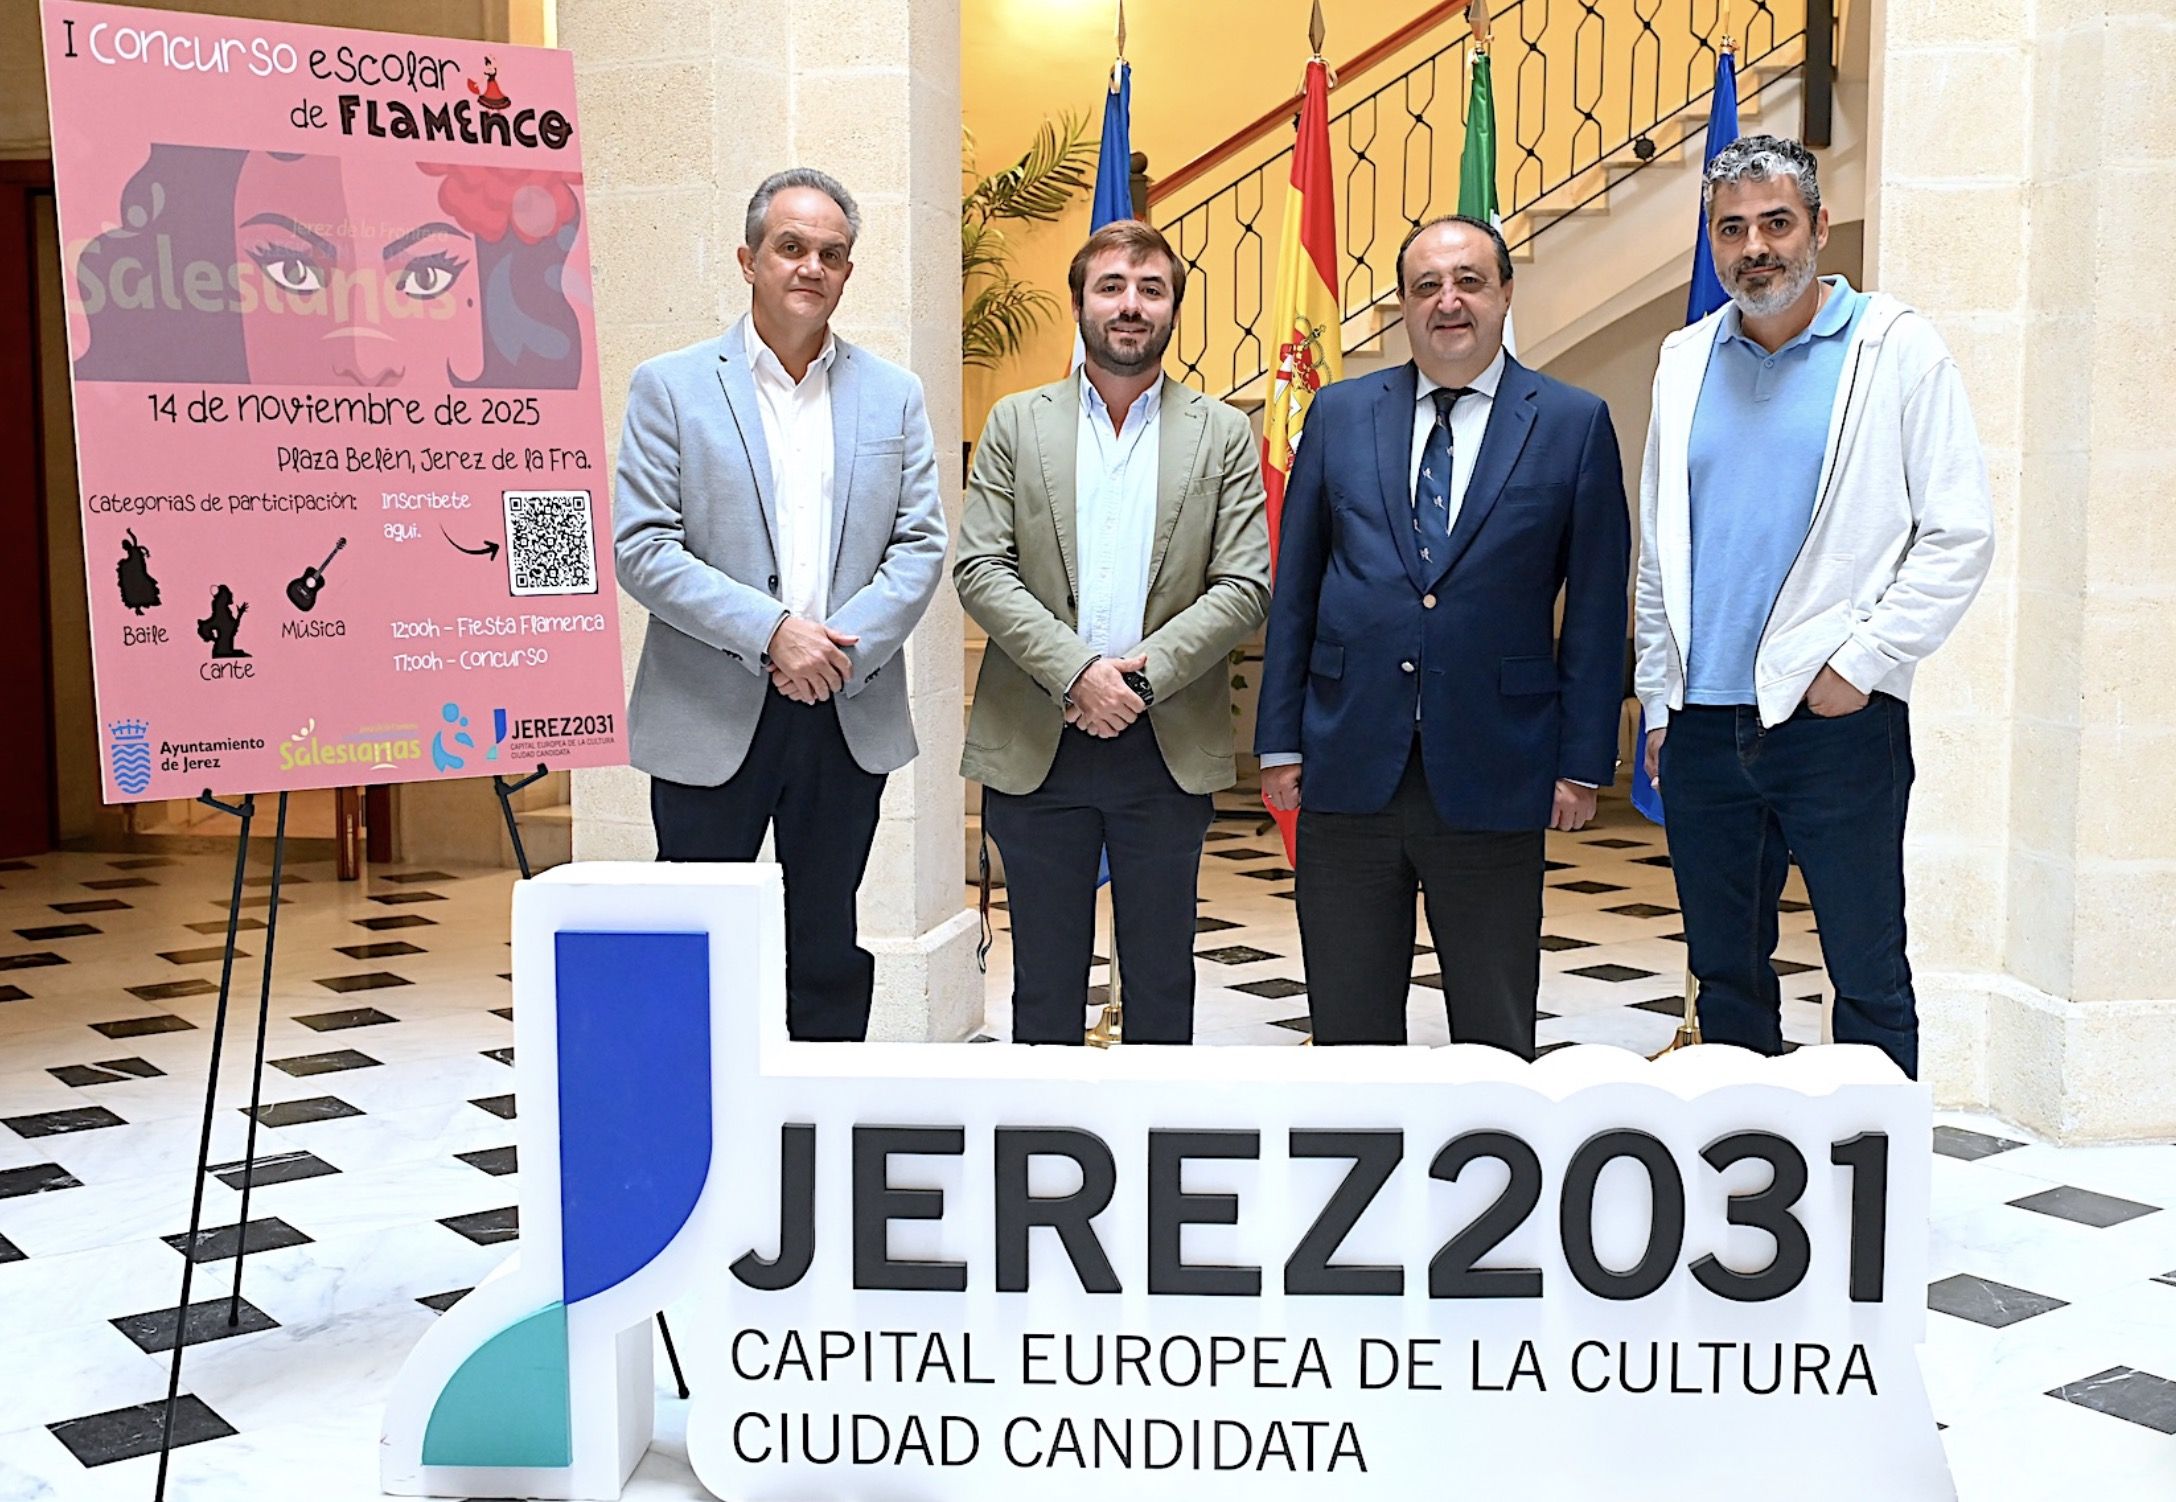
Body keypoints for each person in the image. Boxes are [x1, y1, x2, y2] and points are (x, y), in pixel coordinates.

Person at [1634, 136, 1993, 1080]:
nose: (1756, 247)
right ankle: (1749, 1187)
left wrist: (1859, 668)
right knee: (1726, 977)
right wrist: (1661, 702)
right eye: (1733, 229)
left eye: (1777, 223)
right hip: (1705, 727)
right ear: (1713, 246)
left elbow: (1958, 535)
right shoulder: (1681, 361)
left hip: (1835, 722)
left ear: (1821, 228)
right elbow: (1659, 555)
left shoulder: (1896, 349)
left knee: (1866, 970)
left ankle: (1871, 1204)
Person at [1255, 214, 1630, 1055]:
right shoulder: (1341, 413)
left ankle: (1489, 1176)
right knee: (1349, 1022)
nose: (1448, 301)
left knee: (1494, 1026)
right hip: (1349, 758)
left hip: (1498, 764)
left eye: (1468, 282)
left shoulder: (1573, 422)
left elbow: (1599, 608)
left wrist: (1580, 759)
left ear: (1504, 294)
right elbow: (1299, 587)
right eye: (1426, 286)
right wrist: (1279, 738)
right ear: (1403, 306)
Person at [614, 168, 947, 1041]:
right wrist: (773, 635)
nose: (812, 267)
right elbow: (642, 547)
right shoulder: (671, 386)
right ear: (749, 258)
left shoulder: (894, 394)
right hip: (708, 709)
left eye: (832, 254)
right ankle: (703, 1137)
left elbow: (920, 545)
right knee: (702, 945)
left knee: (826, 942)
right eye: (791, 247)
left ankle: (819, 1139)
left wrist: (836, 648)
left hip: (846, 707)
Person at [957, 220, 1270, 1045]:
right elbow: (980, 568)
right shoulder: (1016, 423)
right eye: (1112, 288)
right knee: (1044, 986)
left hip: (1162, 743)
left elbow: (1245, 584)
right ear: (1079, 303)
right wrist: (1078, 674)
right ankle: (1041, 1156)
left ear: (1172, 310)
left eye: (1150, 290)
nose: (1130, 306)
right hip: (1040, 736)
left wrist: (1136, 681)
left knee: (1163, 977)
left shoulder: (1224, 433)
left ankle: (1154, 1162)